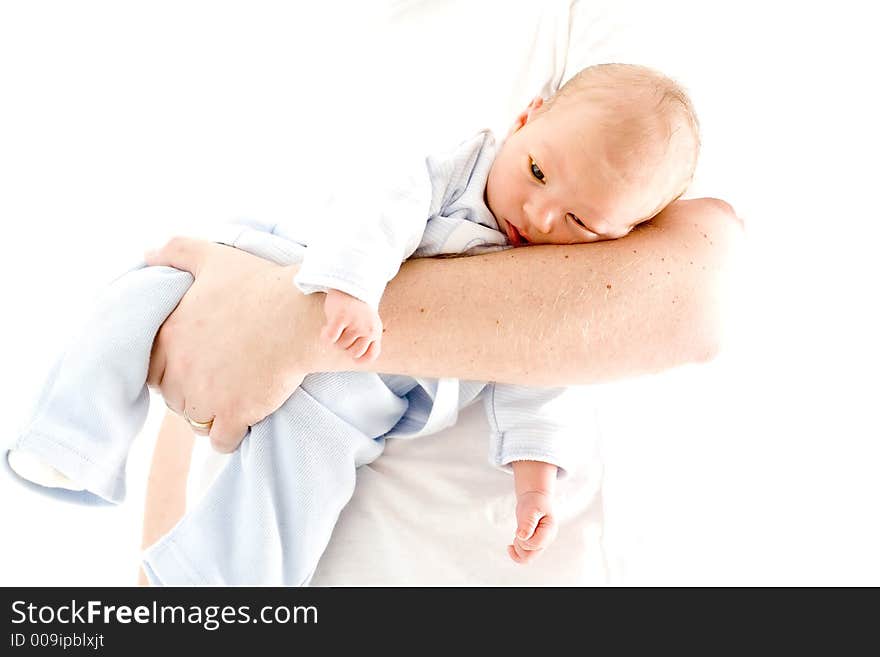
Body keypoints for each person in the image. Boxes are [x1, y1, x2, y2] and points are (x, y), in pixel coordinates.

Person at [7, 62, 702, 582]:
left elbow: (547, 370)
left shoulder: (555, 274)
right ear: (525, 120)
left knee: (299, 474)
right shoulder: (461, 168)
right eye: (539, 173)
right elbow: (386, 207)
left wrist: (535, 476)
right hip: (298, 272)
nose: (542, 216)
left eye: (583, 223)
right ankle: (77, 435)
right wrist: (350, 287)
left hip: (363, 396)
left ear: (622, 236)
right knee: (152, 286)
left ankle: (214, 581)